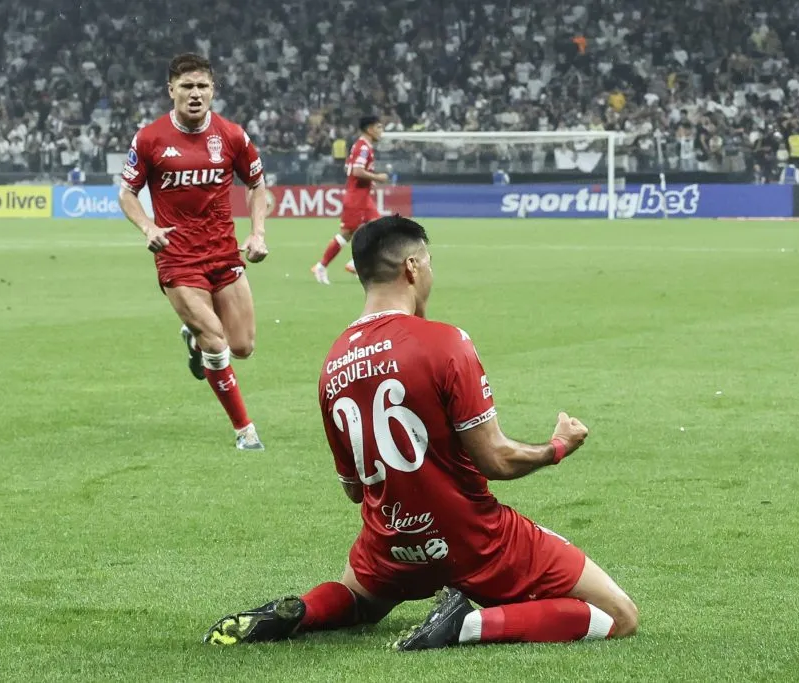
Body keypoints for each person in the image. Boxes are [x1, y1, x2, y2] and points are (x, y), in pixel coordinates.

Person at [204, 215, 638, 650]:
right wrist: (558, 446)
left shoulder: (332, 365)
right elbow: (497, 459)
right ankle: (465, 625)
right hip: (473, 540)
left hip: (392, 545)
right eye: (428, 264)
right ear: (412, 267)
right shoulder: (444, 342)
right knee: (618, 615)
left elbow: (355, 490)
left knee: (357, 598)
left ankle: (302, 611)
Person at [117, 53, 269, 451]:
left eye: (202, 86)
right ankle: (244, 430)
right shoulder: (149, 139)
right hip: (178, 257)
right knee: (217, 345)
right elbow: (127, 192)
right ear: (171, 91)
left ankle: (192, 337)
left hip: (223, 253)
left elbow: (257, 184)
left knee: (243, 346)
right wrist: (147, 227)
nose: (195, 94)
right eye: (187, 86)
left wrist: (258, 233)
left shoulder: (232, 135)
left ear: (213, 90)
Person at [311, 115, 389, 285]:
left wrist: (370, 181)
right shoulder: (363, 148)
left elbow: (349, 167)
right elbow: (356, 171)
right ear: (369, 129)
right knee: (347, 234)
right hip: (356, 198)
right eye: (379, 127)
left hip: (362, 196)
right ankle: (322, 266)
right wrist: (377, 177)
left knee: (379, 229)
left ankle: (355, 263)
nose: (381, 131)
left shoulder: (362, 146)